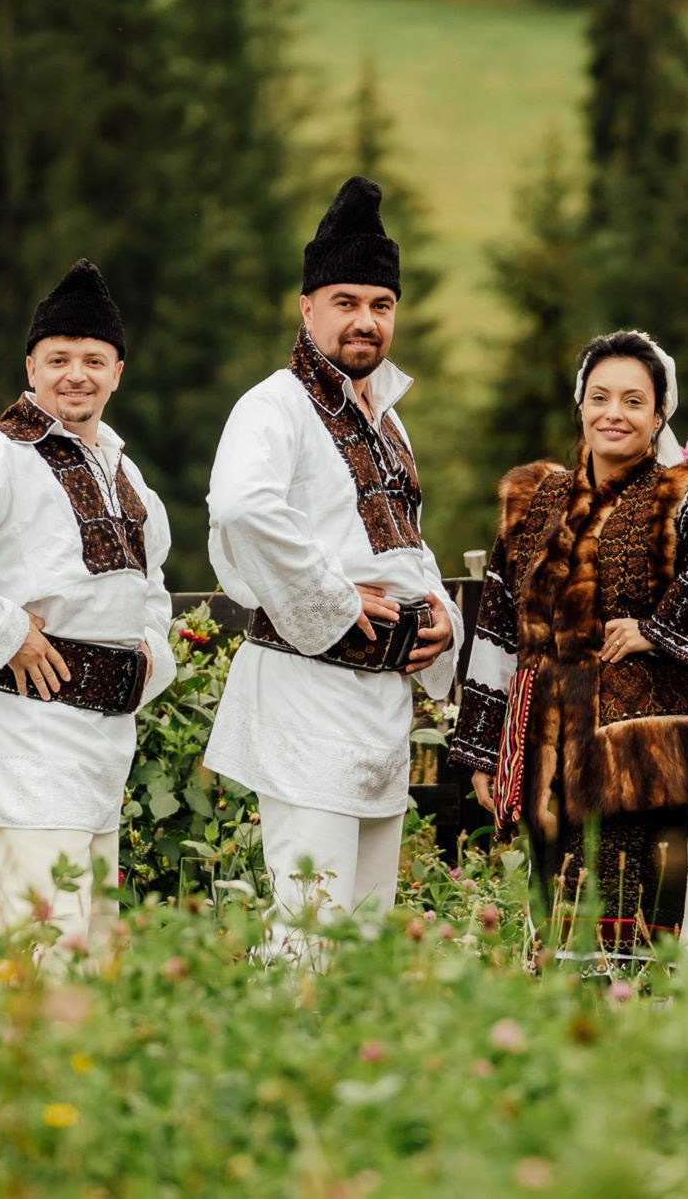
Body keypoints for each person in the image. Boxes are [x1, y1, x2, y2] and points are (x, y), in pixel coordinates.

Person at [448, 330, 688, 965]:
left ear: (658, 417)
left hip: (643, 758)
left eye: (633, 400)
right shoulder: (534, 503)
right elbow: (495, 626)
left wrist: (658, 629)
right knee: (559, 939)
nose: (613, 413)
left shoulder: (682, 497)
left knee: (631, 949)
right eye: (600, 397)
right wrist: (485, 748)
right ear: (580, 406)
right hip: (545, 752)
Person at [204, 176, 462, 956]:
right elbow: (243, 510)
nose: (365, 321)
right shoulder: (273, 406)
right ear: (307, 307)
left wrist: (442, 611)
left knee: (365, 934)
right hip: (306, 699)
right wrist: (331, 599)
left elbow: (400, 541)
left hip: (377, 712)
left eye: (380, 305)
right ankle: (286, 1071)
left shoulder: (389, 422)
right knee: (308, 928)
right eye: (345, 302)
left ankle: (351, 1068)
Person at [0, 259, 173, 955]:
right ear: (32, 367)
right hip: (31, 736)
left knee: (93, 945)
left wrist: (150, 656)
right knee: (51, 944)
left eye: (93, 360)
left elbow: (153, 584)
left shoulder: (124, 473)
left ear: (117, 372)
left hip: (104, 743)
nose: (76, 374)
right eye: (59, 359)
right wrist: (4, 631)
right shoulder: (1, 455)